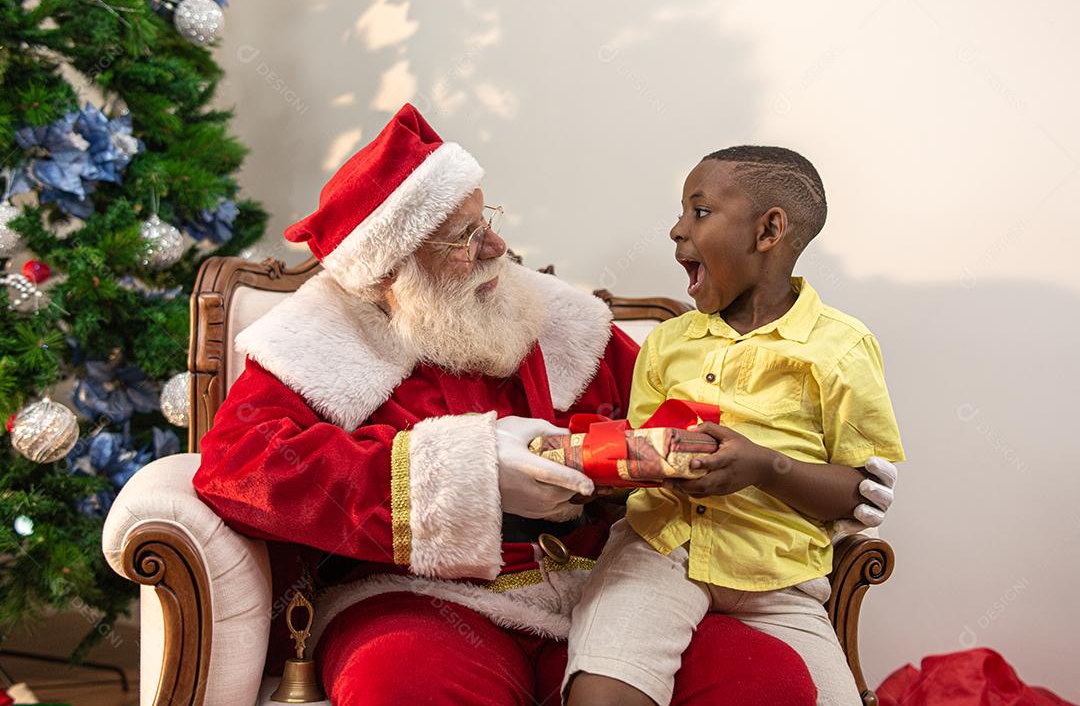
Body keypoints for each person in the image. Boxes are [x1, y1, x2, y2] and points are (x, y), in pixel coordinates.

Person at [192, 107, 891, 705]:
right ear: (390, 273)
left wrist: (669, 464)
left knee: (760, 679)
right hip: (421, 600)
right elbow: (239, 467)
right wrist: (470, 473)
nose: (498, 246)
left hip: (598, 588)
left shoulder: (557, 320)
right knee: (405, 683)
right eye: (463, 239)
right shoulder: (322, 342)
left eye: (485, 218)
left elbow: (677, 419)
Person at [564, 147, 906, 706]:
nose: (677, 229)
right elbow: (638, 454)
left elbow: (857, 493)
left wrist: (760, 466)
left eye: (699, 212)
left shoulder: (842, 348)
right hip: (658, 552)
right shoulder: (668, 343)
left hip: (781, 577)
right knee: (602, 691)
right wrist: (607, 468)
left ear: (768, 230)